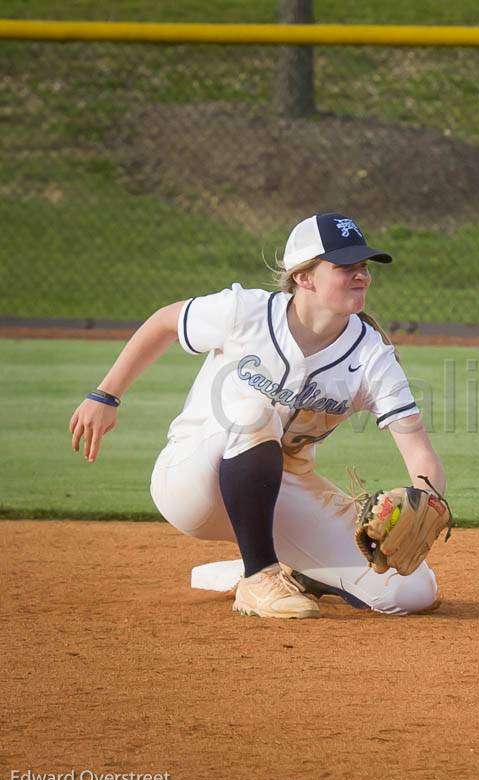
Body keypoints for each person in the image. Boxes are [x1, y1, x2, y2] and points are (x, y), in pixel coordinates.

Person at [68, 213, 445, 620]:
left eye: (364, 266)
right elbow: (165, 322)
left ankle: (291, 570)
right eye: (346, 266)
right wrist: (105, 395)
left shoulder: (371, 356)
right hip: (193, 479)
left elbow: (418, 450)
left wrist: (429, 503)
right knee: (254, 409)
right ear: (305, 278)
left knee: (411, 591)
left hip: (280, 491)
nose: (362, 276)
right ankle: (259, 575)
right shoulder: (244, 312)